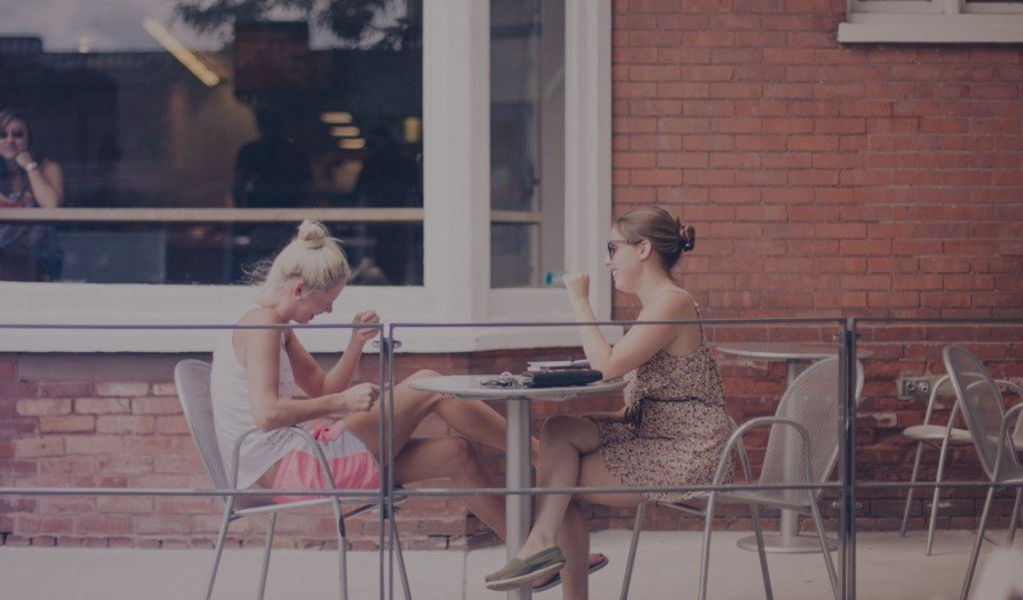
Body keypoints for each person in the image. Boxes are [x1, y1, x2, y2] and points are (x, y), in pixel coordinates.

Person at [211, 220, 604, 591]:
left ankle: (531, 559)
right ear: (298, 290)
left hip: (303, 460)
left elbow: (320, 387)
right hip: (298, 470)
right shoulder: (262, 326)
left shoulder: (273, 325)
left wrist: (355, 343)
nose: (327, 311)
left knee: (456, 453)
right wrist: (342, 402)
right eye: (326, 302)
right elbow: (266, 416)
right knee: (427, 383)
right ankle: (540, 456)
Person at [484, 208, 733, 598]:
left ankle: (542, 546)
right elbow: (660, 393)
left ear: (644, 249)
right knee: (559, 431)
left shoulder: (673, 303)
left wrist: (581, 303)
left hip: (686, 449)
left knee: (557, 484)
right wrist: (605, 419)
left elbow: (608, 367)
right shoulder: (655, 307)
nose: (607, 260)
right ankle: (543, 544)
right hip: (651, 433)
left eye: (612, 248)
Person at [0, 109, 65, 281]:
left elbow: (51, 204)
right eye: (1, 135)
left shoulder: (47, 167)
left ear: (29, 138)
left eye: (17, 134)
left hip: (37, 256)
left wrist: (30, 166)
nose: (9, 140)